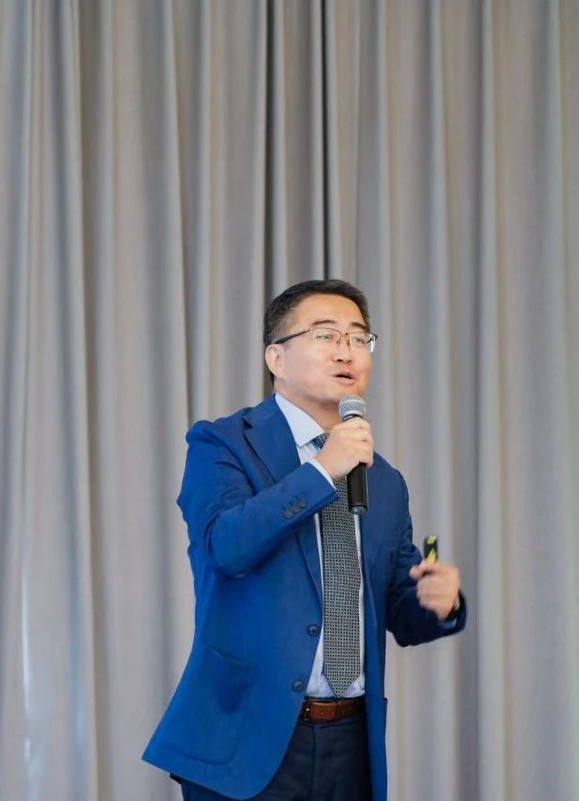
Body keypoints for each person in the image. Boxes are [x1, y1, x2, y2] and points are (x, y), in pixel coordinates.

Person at [143, 279, 466, 801]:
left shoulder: (383, 479)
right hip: (246, 740)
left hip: (350, 741)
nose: (346, 351)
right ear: (277, 357)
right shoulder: (222, 444)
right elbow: (226, 547)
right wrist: (321, 472)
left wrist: (438, 602)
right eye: (326, 335)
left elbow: (398, 612)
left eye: (359, 338)